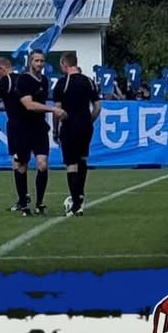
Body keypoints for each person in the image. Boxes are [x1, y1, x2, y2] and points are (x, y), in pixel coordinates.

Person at [0, 50, 64, 216]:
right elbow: (29, 105)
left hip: (39, 127)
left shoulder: (44, 81)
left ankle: (40, 202)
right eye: (37, 61)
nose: (40, 64)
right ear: (30, 62)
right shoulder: (23, 80)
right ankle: (23, 203)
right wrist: (53, 109)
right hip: (22, 129)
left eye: (42, 61)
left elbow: (38, 103)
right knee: (21, 165)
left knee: (43, 164)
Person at [54, 52, 101, 216]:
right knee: (82, 159)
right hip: (86, 127)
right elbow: (97, 107)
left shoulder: (62, 83)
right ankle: (79, 195)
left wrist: (55, 130)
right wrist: (89, 121)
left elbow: (57, 110)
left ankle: (76, 205)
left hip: (70, 127)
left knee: (71, 164)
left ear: (64, 64)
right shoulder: (89, 81)